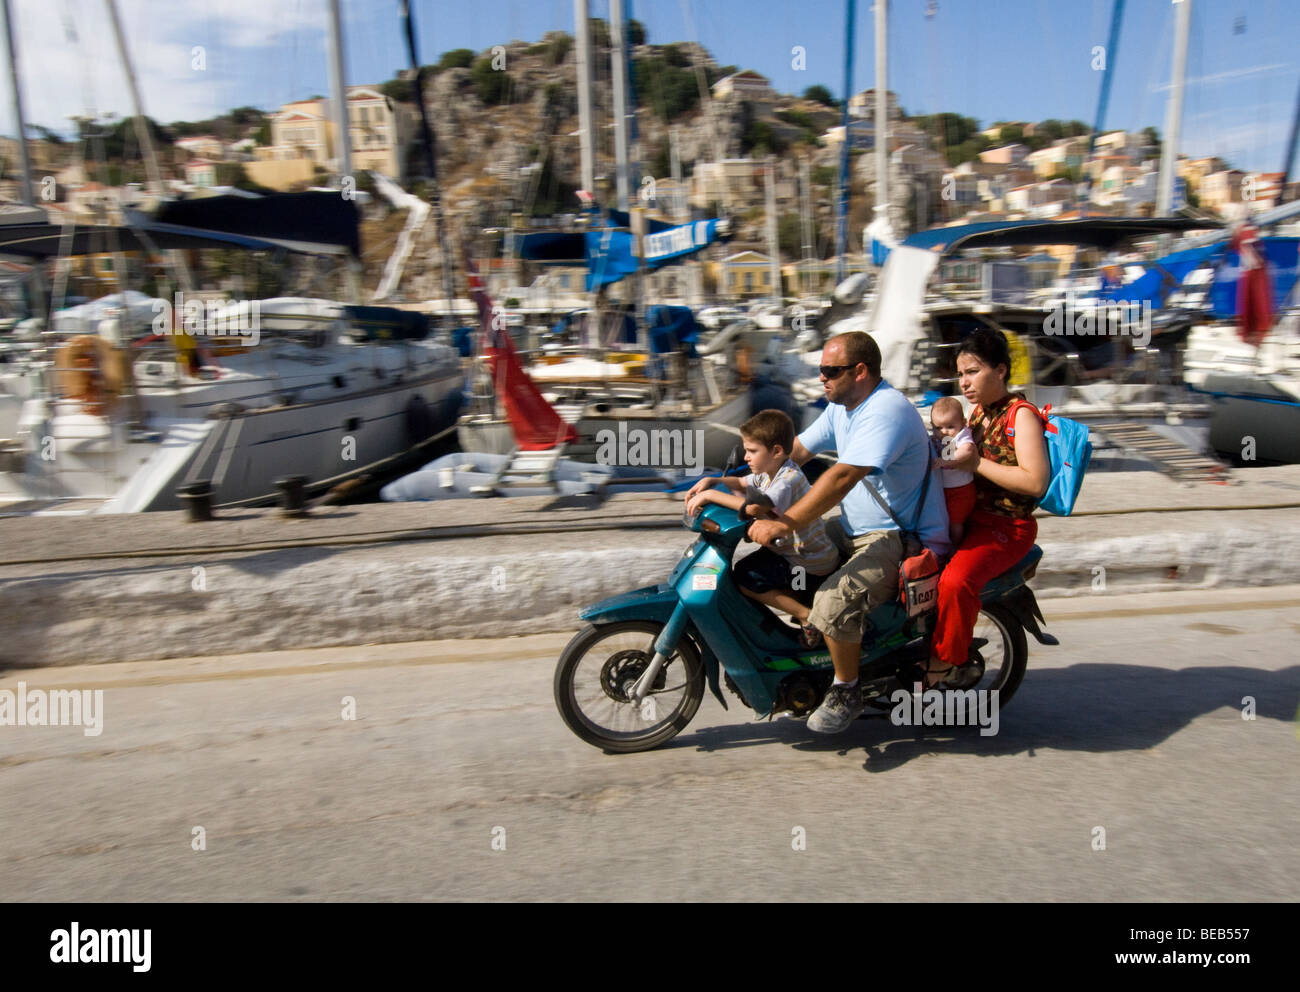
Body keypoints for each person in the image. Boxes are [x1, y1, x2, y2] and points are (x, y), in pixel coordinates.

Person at [750, 331, 951, 733]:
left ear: (859, 371)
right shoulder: (842, 409)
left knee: (833, 599)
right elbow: (795, 454)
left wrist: (785, 521)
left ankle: (847, 688)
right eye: (821, 369)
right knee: (769, 564)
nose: (821, 377)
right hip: (854, 529)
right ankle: (821, 640)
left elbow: (842, 477)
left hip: (897, 537)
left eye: (830, 370)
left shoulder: (886, 411)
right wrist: (740, 486)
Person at [923, 327, 1049, 688]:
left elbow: (1035, 482)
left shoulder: (1020, 416)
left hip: (1006, 527)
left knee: (955, 582)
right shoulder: (976, 414)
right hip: (968, 518)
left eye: (973, 371)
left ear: (1000, 370)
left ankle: (944, 664)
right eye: (960, 374)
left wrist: (976, 464)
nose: (964, 382)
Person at [684, 410, 840, 646]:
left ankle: (806, 616)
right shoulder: (769, 472)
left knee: (746, 578)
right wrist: (713, 480)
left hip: (806, 561)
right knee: (751, 569)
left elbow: (754, 507)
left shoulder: (786, 479)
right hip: (792, 552)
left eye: (752, 451)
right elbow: (740, 482)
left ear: (776, 451)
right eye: (745, 450)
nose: (746, 457)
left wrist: (710, 495)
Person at [930, 396, 978, 547]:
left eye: (950, 426)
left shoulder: (961, 435)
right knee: (944, 518)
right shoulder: (935, 438)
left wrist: (946, 461)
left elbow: (967, 450)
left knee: (955, 522)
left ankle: (955, 546)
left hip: (961, 489)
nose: (944, 432)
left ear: (963, 423)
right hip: (944, 488)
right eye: (938, 428)